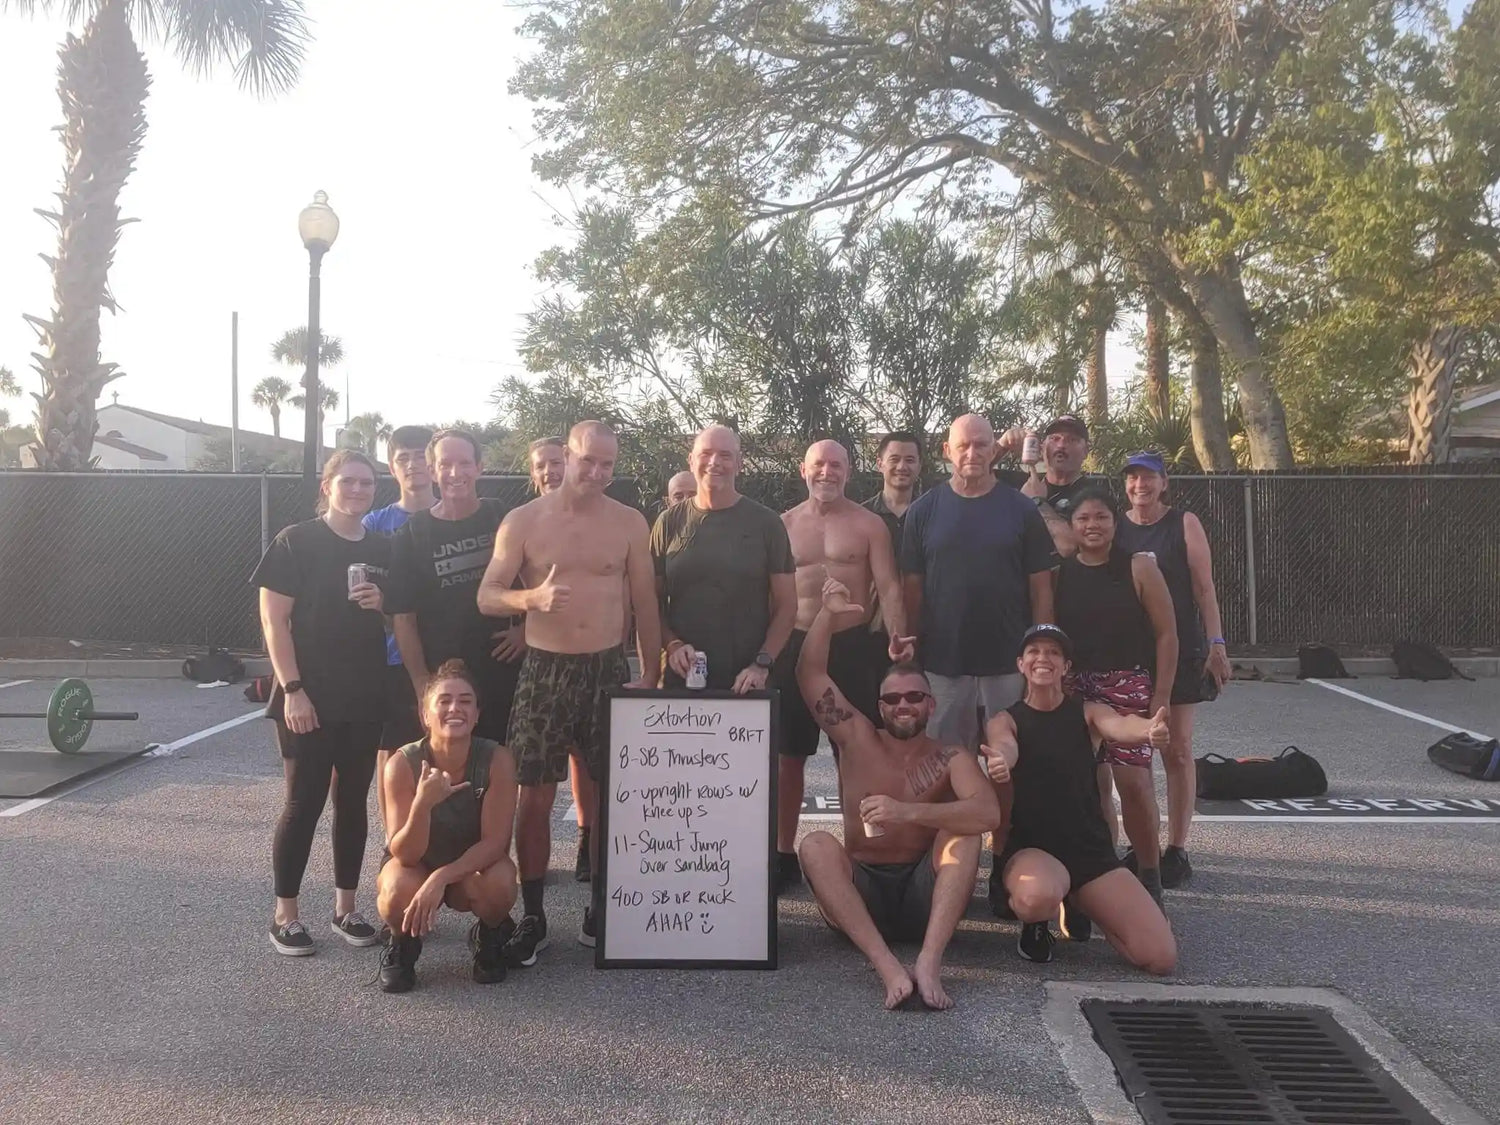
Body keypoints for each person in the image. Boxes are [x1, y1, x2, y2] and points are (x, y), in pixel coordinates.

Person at [478, 421, 662, 959]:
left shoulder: (629, 522)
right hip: (545, 669)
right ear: (566, 455)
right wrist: (529, 599)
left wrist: (650, 672)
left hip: (607, 669)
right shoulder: (524, 520)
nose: (598, 473)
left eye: (608, 465)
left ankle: (603, 906)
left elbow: (646, 603)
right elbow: (488, 595)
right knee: (534, 793)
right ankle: (532, 914)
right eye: (589, 462)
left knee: (609, 792)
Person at [797, 578, 999, 1011]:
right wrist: (827, 616)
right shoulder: (856, 737)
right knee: (814, 843)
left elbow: (987, 814)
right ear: (880, 706)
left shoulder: (951, 756)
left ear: (931, 704)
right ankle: (886, 965)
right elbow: (810, 674)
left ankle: (928, 961)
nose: (902, 705)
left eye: (913, 697)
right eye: (892, 699)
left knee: (962, 835)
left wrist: (906, 813)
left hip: (925, 892)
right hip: (862, 892)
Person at [251, 449, 390, 956]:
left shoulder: (382, 546)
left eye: (367, 483)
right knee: (303, 803)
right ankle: (285, 916)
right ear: (328, 485)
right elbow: (274, 622)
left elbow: (397, 620)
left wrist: (385, 607)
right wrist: (292, 690)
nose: (358, 490)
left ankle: (345, 909)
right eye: (348, 481)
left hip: (364, 696)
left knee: (352, 803)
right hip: (306, 698)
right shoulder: (297, 541)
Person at [982, 624, 1176, 973]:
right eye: (1034, 652)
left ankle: (1082, 901)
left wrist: (1148, 730)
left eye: (1054, 652)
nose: (1044, 658)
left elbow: (1120, 725)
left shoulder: (1088, 712)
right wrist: (1000, 761)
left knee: (1160, 958)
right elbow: (1004, 746)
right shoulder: (1005, 720)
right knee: (1036, 898)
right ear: (1021, 664)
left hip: (1090, 853)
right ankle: (1039, 924)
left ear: (1066, 667)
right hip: (1034, 850)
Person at [652, 425, 798, 877]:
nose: (715, 463)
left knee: (747, 786)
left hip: (746, 680)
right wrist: (671, 643)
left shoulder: (765, 523)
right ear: (691, 458)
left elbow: (787, 606)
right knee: (685, 785)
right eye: (707, 454)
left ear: (740, 462)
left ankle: (750, 876)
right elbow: (651, 604)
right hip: (684, 677)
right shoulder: (669, 521)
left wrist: (762, 664)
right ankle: (692, 878)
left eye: (726, 455)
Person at [777, 440, 912, 886]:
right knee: (788, 756)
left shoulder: (869, 524)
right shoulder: (783, 525)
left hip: (852, 648)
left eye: (836, 465)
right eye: (819, 464)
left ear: (849, 471)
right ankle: (782, 854)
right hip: (796, 646)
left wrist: (896, 639)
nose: (827, 472)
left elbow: (889, 587)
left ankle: (864, 850)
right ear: (803, 469)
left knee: (856, 752)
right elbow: (773, 597)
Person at [901, 414, 1057, 751]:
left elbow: (1040, 588)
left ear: (993, 448)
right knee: (946, 765)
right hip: (944, 665)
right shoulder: (923, 511)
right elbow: (912, 591)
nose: (972, 453)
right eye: (963, 446)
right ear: (947, 451)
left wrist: (1043, 651)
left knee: (1009, 764)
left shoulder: (1022, 510)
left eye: (981, 444)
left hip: (1008, 662)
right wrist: (912, 656)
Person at [1053, 489, 1178, 904]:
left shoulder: (1138, 567)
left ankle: (1149, 874)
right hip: (1075, 686)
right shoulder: (1060, 573)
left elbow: (1167, 634)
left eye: (1101, 517)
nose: (1092, 525)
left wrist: (1160, 694)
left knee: (1135, 785)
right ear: (1072, 527)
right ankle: (1101, 871)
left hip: (1127, 684)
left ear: (1114, 521)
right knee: (1091, 788)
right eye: (1084, 518)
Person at [1116, 451, 1231, 887]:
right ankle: (1141, 844)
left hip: (1180, 649)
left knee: (1177, 748)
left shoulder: (1183, 524)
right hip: (1130, 653)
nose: (1140, 486)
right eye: (1132, 479)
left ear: (1164, 483)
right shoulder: (1116, 527)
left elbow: (1204, 587)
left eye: (1148, 478)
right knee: (1132, 753)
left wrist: (1216, 642)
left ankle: (1178, 848)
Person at [376, 661, 519, 992]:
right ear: (426, 715)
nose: (455, 708)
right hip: (417, 864)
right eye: (444, 701)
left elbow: (495, 843)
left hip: (469, 867)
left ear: (477, 714)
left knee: (500, 882)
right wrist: (423, 804)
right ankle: (403, 943)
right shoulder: (402, 763)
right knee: (396, 887)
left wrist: (441, 878)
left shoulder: (497, 759)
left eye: (466, 701)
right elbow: (404, 853)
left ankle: (488, 934)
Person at [386, 429, 519, 743]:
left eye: (464, 463)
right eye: (445, 464)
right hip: (444, 679)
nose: (455, 473)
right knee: (446, 776)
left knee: (502, 770)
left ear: (479, 467)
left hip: (503, 672)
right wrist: (422, 687)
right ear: (432, 471)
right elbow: (403, 619)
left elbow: (538, 581)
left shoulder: (501, 517)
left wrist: (527, 632)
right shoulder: (411, 535)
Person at [528, 434, 598, 883]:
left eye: (557, 462)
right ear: (532, 473)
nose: (550, 472)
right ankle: (527, 882)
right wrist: (524, 616)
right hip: (537, 660)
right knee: (532, 773)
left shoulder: (606, 519)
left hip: (595, 657)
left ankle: (587, 840)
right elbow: (504, 586)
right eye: (541, 466)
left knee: (585, 760)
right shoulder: (519, 521)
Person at [362, 425, 436, 839]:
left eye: (421, 454)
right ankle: (395, 841)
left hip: (445, 650)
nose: (413, 464)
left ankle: (439, 836)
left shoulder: (455, 515)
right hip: (390, 655)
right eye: (403, 457)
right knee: (392, 752)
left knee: (445, 746)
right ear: (392, 467)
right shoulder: (375, 523)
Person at [1006, 414, 1093, 558]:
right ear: (1042, 447)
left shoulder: (1093, 495)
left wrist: (1037, 502)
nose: (1061, 445)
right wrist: (1002, 446)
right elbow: (970, 475)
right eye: (1054, 439)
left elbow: (1069, 547)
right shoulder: (1021, 484)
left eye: (1072, 440)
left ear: (1085, 451)